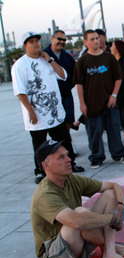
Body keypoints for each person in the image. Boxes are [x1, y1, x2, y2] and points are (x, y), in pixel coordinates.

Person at [31, 140, 124, 258]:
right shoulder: (45, 194)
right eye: (61, 157)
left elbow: (114, 186)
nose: (69, 159)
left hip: (77, 241)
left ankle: (109, 252)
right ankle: (111, 247)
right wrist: (113, 218)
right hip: (57, 256)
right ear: (45, 165)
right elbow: (77, 222)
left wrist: (121, 208)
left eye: (67, 155)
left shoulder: (71, 179)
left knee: (110, 194)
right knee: (80, 213)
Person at [11, 31, 84, 184]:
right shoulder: (20, 65)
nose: (35, 43)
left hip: (55, 112)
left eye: (37, 40)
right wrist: (30, 110)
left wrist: (50, 60)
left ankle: (71, 164)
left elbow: (63, 76)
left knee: (64, 141)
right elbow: (20, 92)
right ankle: (40, 171)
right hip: (37, 114)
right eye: (31, 41)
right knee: (39, 144)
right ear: (25, 45)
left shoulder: (46, 60)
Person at [73, 29, 124, 169]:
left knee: (114, 130)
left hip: (110, 103)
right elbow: (79, 84)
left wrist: (114, 95)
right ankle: (96, 157)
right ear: (86, 42)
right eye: (92, 39)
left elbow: (118, 78)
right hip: (91, 104)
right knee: (94, 132)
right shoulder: (82, 62)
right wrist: (82, 103)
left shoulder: (109, 57)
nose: (96, 41)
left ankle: (119, 154)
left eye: (97, 38)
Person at [43, 30, 79, 154]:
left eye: (64, 40)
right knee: (55, 122)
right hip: (51, 96)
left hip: (65, 94)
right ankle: (59, 144)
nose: (62, 42)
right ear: (52, 39)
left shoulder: (67, 56)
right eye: (59, 39)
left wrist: (69, 85)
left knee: (68, 118)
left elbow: (74, 74)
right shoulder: (43, 55)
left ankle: (67, 140)